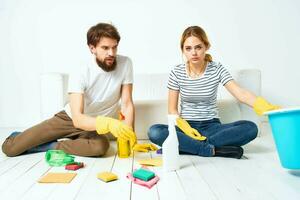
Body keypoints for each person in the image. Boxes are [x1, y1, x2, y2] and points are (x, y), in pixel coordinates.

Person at [2, 23, 137, 157]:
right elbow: (78, 119)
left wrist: (129, 132)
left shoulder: (126, 64)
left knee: (100, 147)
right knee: (10, 149)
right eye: (105, 48)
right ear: (92, 48)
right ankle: (19, 137)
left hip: (93, 126)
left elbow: (127, 104)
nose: (111, 53)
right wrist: (108, 123)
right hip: (69, 119)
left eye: (114, 47)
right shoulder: (81, 69)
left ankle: (50, 146)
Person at [148, 26, 280, 159]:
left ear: (206, 46)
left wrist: (268, 108)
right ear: (183, 50)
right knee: (155, 132)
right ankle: (210, 149)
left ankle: (188, 147)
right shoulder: (176, 72)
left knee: (250, 127)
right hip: (185, 128)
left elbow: (241, 93)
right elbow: (172, 110)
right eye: (188, 48)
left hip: (212, 128)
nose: (194, 52)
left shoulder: (217, 69)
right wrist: (186, 128)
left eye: (198, 47)